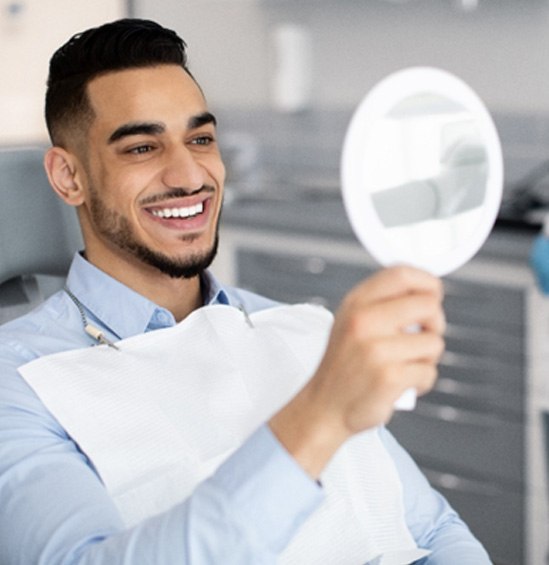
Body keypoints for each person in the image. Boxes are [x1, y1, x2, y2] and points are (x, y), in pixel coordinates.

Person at [0, 18, 491, 564]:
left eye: (201, 139)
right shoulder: (17, 384)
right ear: (69, 177)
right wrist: (320, 415)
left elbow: (432, 529)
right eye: (141, 148)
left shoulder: (304, 329)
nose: (189, 175)